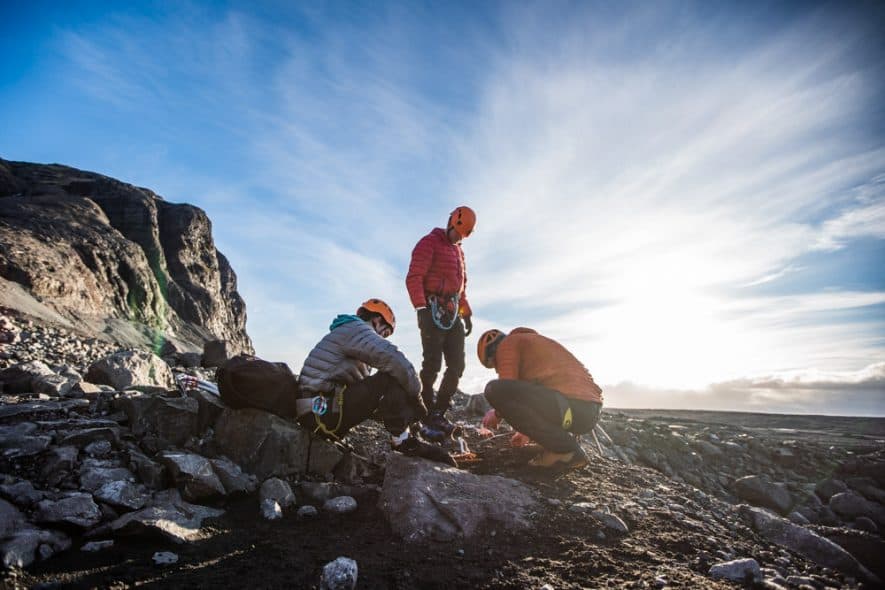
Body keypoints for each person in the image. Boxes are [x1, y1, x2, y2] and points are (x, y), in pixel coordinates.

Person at [297, 298, 455, 466]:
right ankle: (402, 442)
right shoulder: (355, 329)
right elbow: (396, 360)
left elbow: (372, 401)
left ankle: (406, 436)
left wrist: (413, 423)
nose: (382, 338)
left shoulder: (347, 333)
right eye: (385, 333)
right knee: (392, 375)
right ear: (377, 320)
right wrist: (418, 399)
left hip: (321, 413)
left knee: (391, 379)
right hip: (322, 415)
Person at [477, 327, 604, 469]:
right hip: (586, 412)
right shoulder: (532, 345)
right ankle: (554, 445)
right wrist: (525, 432)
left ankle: (565, 450)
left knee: (494, 389)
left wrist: (496, 413)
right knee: (511, 390)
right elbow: (530, 396)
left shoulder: (508, 343)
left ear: (492, 352)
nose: (497, 369)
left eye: (495, 364)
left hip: (572, 405)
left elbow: (507, 386)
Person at [406, 206, 476, 441]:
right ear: (451, 222)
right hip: (431, 310)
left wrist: (466, 313)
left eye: (463, 236)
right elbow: (414, 277)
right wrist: (421, 308)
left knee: (457, 365)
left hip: (452, 312)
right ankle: (425, 410)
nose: (458, 238)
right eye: (458, 232)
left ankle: (439, 411)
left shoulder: (459, 252)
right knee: (432, 363)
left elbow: (460, 288)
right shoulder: (429, 243)